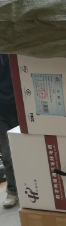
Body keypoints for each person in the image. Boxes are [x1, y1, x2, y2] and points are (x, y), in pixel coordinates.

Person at [0, 54, 19, 208]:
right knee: (7, 154)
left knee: (29, 149)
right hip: (2, 113)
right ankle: (12, 190)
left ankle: (36, 185)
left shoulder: (16, 50)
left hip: (21, 107)